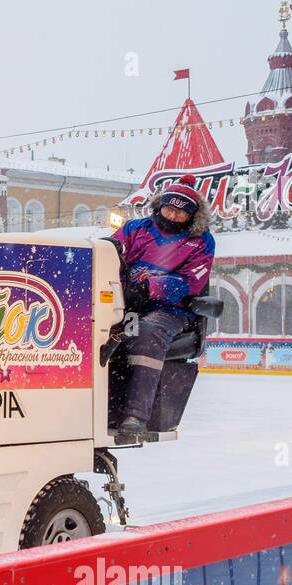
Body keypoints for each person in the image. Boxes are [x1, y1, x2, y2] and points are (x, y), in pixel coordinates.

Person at [110, 175, 215, 437]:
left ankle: (136, 415)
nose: (172, 213)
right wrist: (106, 248)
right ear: (159, 205)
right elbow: (111, 249)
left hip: (170, 310)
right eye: (169, 207)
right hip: (125, 302)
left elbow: (191, 281)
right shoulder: (136, 228)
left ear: (192, 215)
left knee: (146, 333)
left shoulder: (200, 241)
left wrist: (151, 288)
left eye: (180, 210)